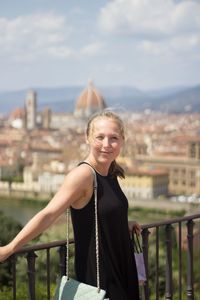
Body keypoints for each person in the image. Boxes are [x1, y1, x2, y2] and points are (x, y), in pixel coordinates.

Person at [0, 110, 141, 299]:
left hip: (122, 265)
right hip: (101, 275)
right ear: (87, 138)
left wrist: (123, 223)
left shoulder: (111, 172)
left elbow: (101, 212)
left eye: (114, 138)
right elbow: (48, 214)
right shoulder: (83, 176)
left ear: (122, 140)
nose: (107, 144)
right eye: (100, 137)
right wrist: (10, 248)